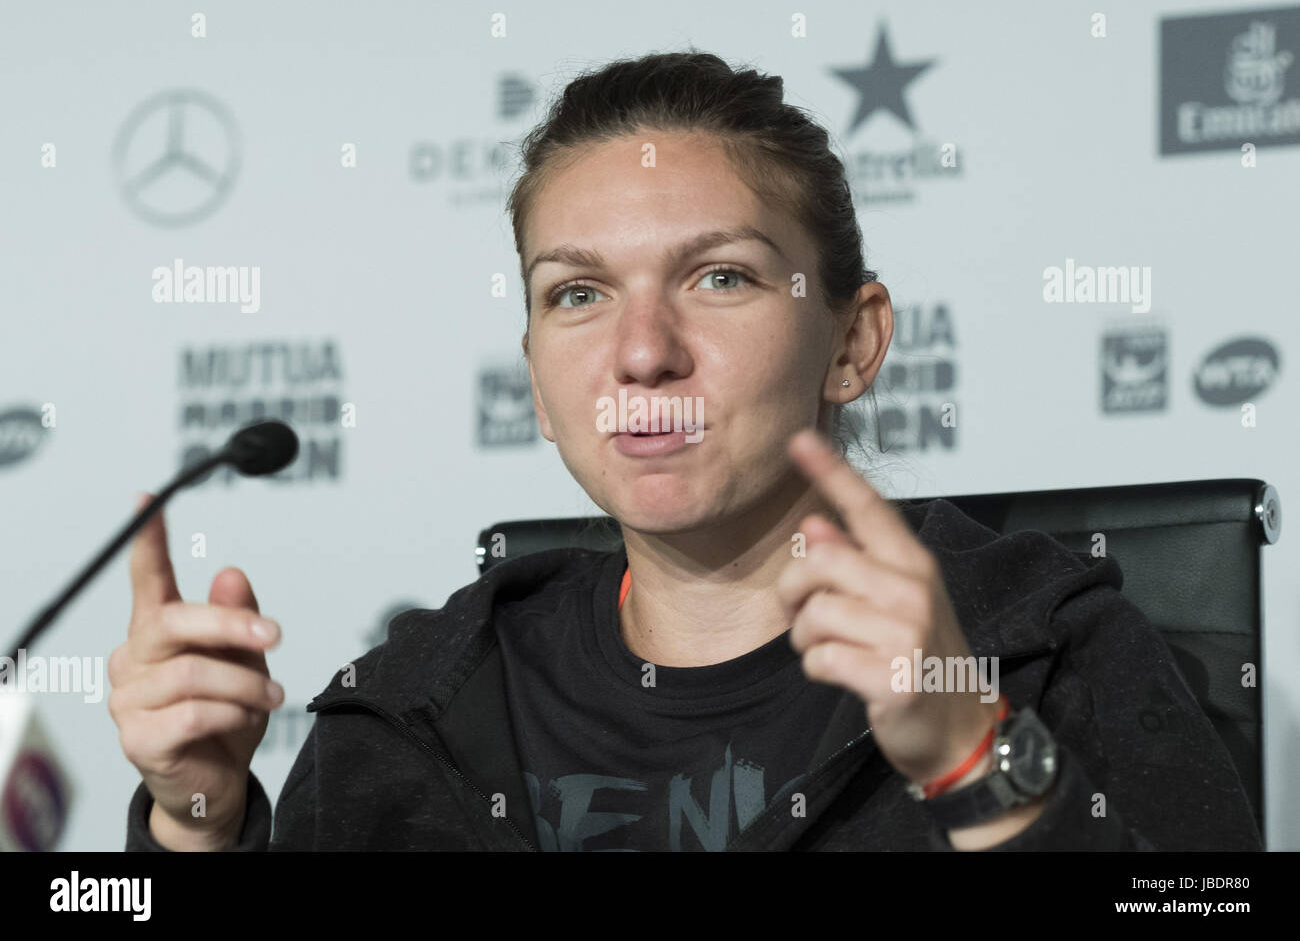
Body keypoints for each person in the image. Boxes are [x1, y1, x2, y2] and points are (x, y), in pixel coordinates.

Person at [112, 49, 1262, 852]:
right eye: (577, 293)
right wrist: (195, 819)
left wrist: (974, 762)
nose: (643, 350)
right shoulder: (411, 705)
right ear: (537, 380)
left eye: (720, 276)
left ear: (853, 341)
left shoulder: (1043, 651)